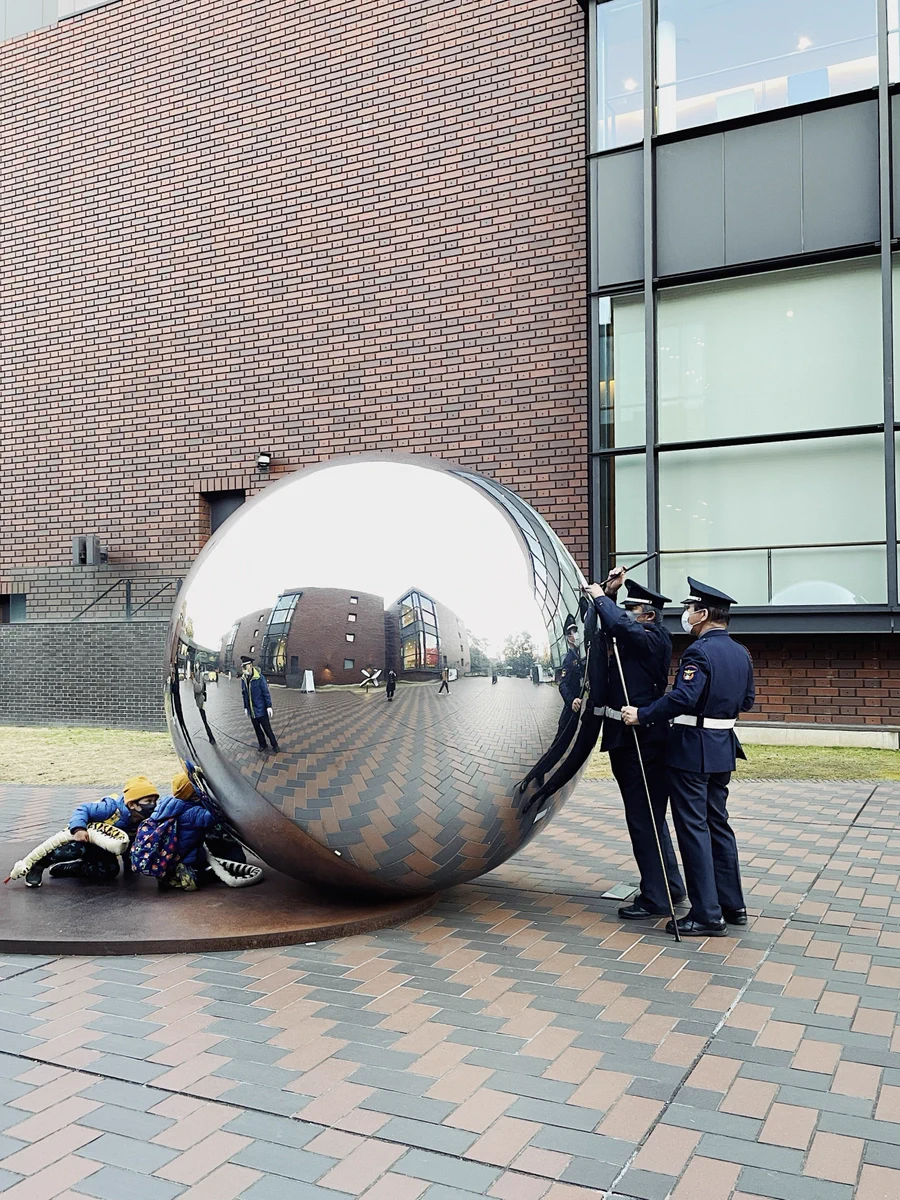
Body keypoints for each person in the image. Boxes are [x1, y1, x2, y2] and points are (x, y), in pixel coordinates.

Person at [623, 578, 754, 937]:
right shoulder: (741, 652)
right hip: (722, 745)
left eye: (690, 608)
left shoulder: (699, 652)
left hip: (692, 749)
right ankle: (732, 904)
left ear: (703, 613)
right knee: (718, 826)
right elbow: (747, 701)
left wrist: (644, 714)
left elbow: (682, 698)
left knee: (693, 829)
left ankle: (707, 914)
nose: (686, 614)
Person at [588, 571, 686, 921]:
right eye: (624, 608)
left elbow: (620, 627)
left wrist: (602, 597)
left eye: (632, 609)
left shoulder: (654, 638)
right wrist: (607, 596)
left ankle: (656, 897)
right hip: (629, 739)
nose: (626, 614)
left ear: (648, 615)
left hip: (641, 742)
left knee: (644, 819)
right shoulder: (637, 634)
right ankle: (669, 885)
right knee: (649, 817)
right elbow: (609, 627)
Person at [23, 775, 160, 887]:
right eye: (147, 801)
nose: (152, 805)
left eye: (154, 801)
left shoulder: (144, 819)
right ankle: (38, 866)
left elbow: (131, 842)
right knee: (75, 849)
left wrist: (131, 867)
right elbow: (83, 809)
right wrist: (79, 829)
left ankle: (77, 868)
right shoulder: (111, 808)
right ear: (132, 804)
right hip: (85, 839)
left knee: (109, 872)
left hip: (104, 847)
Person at [240, 656, 280, 752]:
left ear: (250, 665)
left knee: (267, 729)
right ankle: (262, 744)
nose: (244, 669)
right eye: (243, 667)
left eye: (245, 667)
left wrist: (269, 706)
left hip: (261, 709)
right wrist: (246, 707)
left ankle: (274, 744)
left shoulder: (259, 677)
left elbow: (265, 692)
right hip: (252, 710)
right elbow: (244, 694)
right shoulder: (243, 679)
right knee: (257, 729)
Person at [192, 670, 216, 744]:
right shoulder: (198, 674)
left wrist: (193, 680)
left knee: (205, 720)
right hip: (200, 701)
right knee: (204, 720)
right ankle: (211, 737)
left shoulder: (199, 675)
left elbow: (198, 689)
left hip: (201, 701)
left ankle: (211, 738)